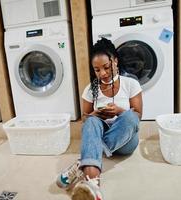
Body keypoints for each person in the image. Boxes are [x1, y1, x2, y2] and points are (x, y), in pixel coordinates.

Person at [56, 37, 143, 200]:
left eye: (106, 67)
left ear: (115, 61)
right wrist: (94, 115)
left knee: (130, 116)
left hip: (126, 142)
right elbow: (85, 118)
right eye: (97, 70)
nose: (102, 73)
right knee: (91, 121)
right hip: (101, 133)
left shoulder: (130, 84)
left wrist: (119, 111)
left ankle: (82, 162)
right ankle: (93, 184)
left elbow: (137, 115)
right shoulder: (91, 89)